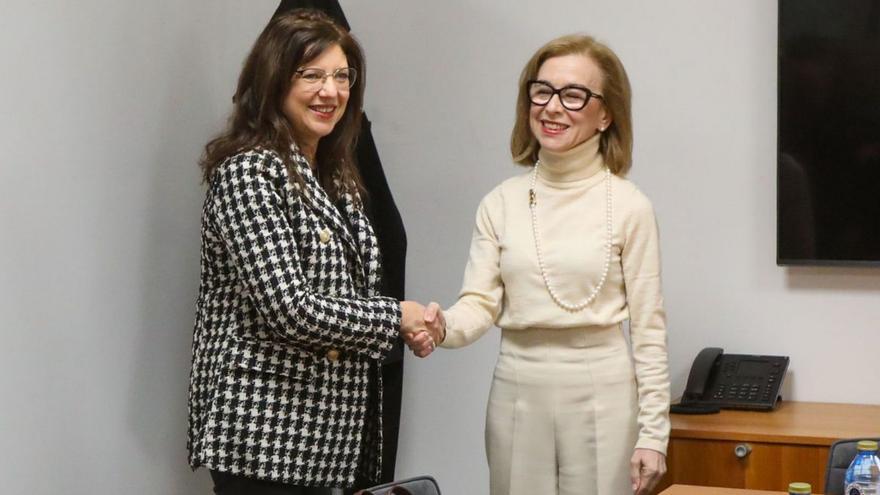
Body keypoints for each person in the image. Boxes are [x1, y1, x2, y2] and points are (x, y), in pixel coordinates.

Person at [407, 34, 671, 495]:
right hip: (517, 388)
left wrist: (654, 435)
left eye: (573, 95)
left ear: (606, 113)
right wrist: (441, 325)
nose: (552, 107)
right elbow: (478, 304)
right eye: (541, 91)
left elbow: (649, 331)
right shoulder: (500, 203)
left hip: (603, 392)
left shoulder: (630, 206)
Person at [186, 10, 434, 494]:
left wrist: (410, 326)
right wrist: (394, 319)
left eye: (342, 77)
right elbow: (290, 308)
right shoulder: (248, 173)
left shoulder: (335, 173)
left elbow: (349, 294)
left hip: (325, 440)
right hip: (262, 435)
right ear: (274, 80)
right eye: (311, 75)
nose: (331, 91)